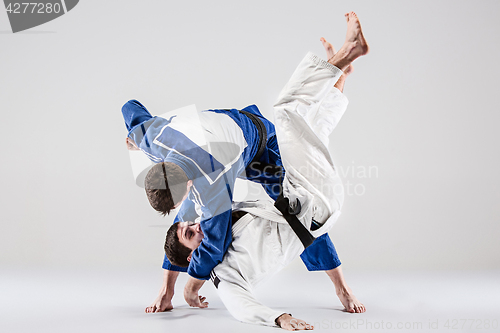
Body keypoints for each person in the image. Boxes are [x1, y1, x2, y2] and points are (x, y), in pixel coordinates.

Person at [163, 12, 369, 330]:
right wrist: (277, 317)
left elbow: (201, 205)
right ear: (195, 258)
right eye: (192, 234)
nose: (197, 227)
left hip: (301, 186)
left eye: (191, 226)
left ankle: (339, 67)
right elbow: (237, 303)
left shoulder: (211, 218)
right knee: (289, 113)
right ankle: (342, 59)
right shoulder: (224, 272)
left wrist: (175, 288)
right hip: (317, 207)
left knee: (306, 124)